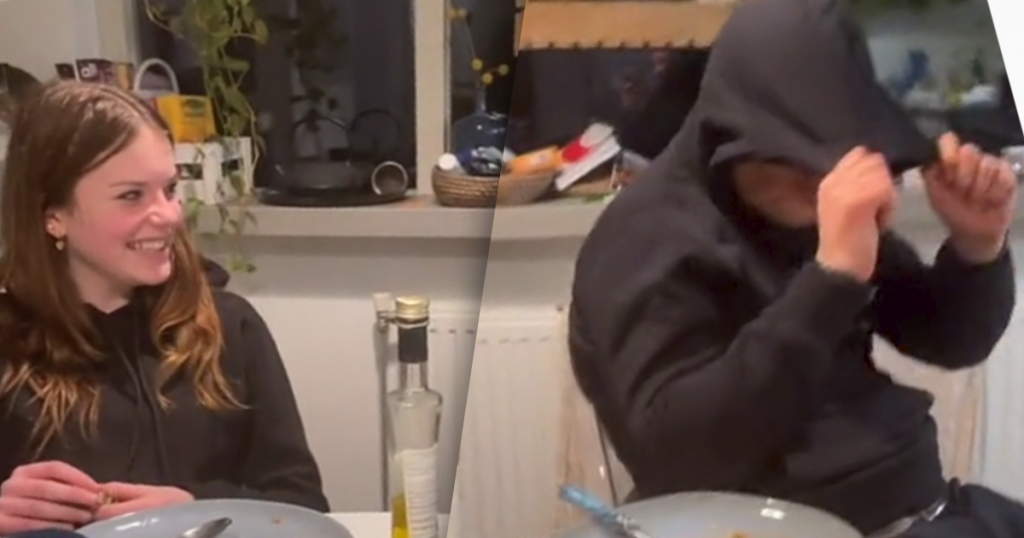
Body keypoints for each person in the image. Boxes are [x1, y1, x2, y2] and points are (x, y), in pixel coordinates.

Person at [568, 0, 1024, 536]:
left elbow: (947, 340)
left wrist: (975, 247)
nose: (833, 178)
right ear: (744, 124)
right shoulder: (645, 241)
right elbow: (678, 459)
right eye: (810, 158)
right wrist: (830, 281)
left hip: (920, 503)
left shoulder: (804, 202)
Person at [0, 81, 330, 535]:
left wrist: (197, 507)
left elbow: (303, 504)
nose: (170, 215)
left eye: (170, 189)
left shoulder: (230, 327)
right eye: (131, 195)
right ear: (53, 216)